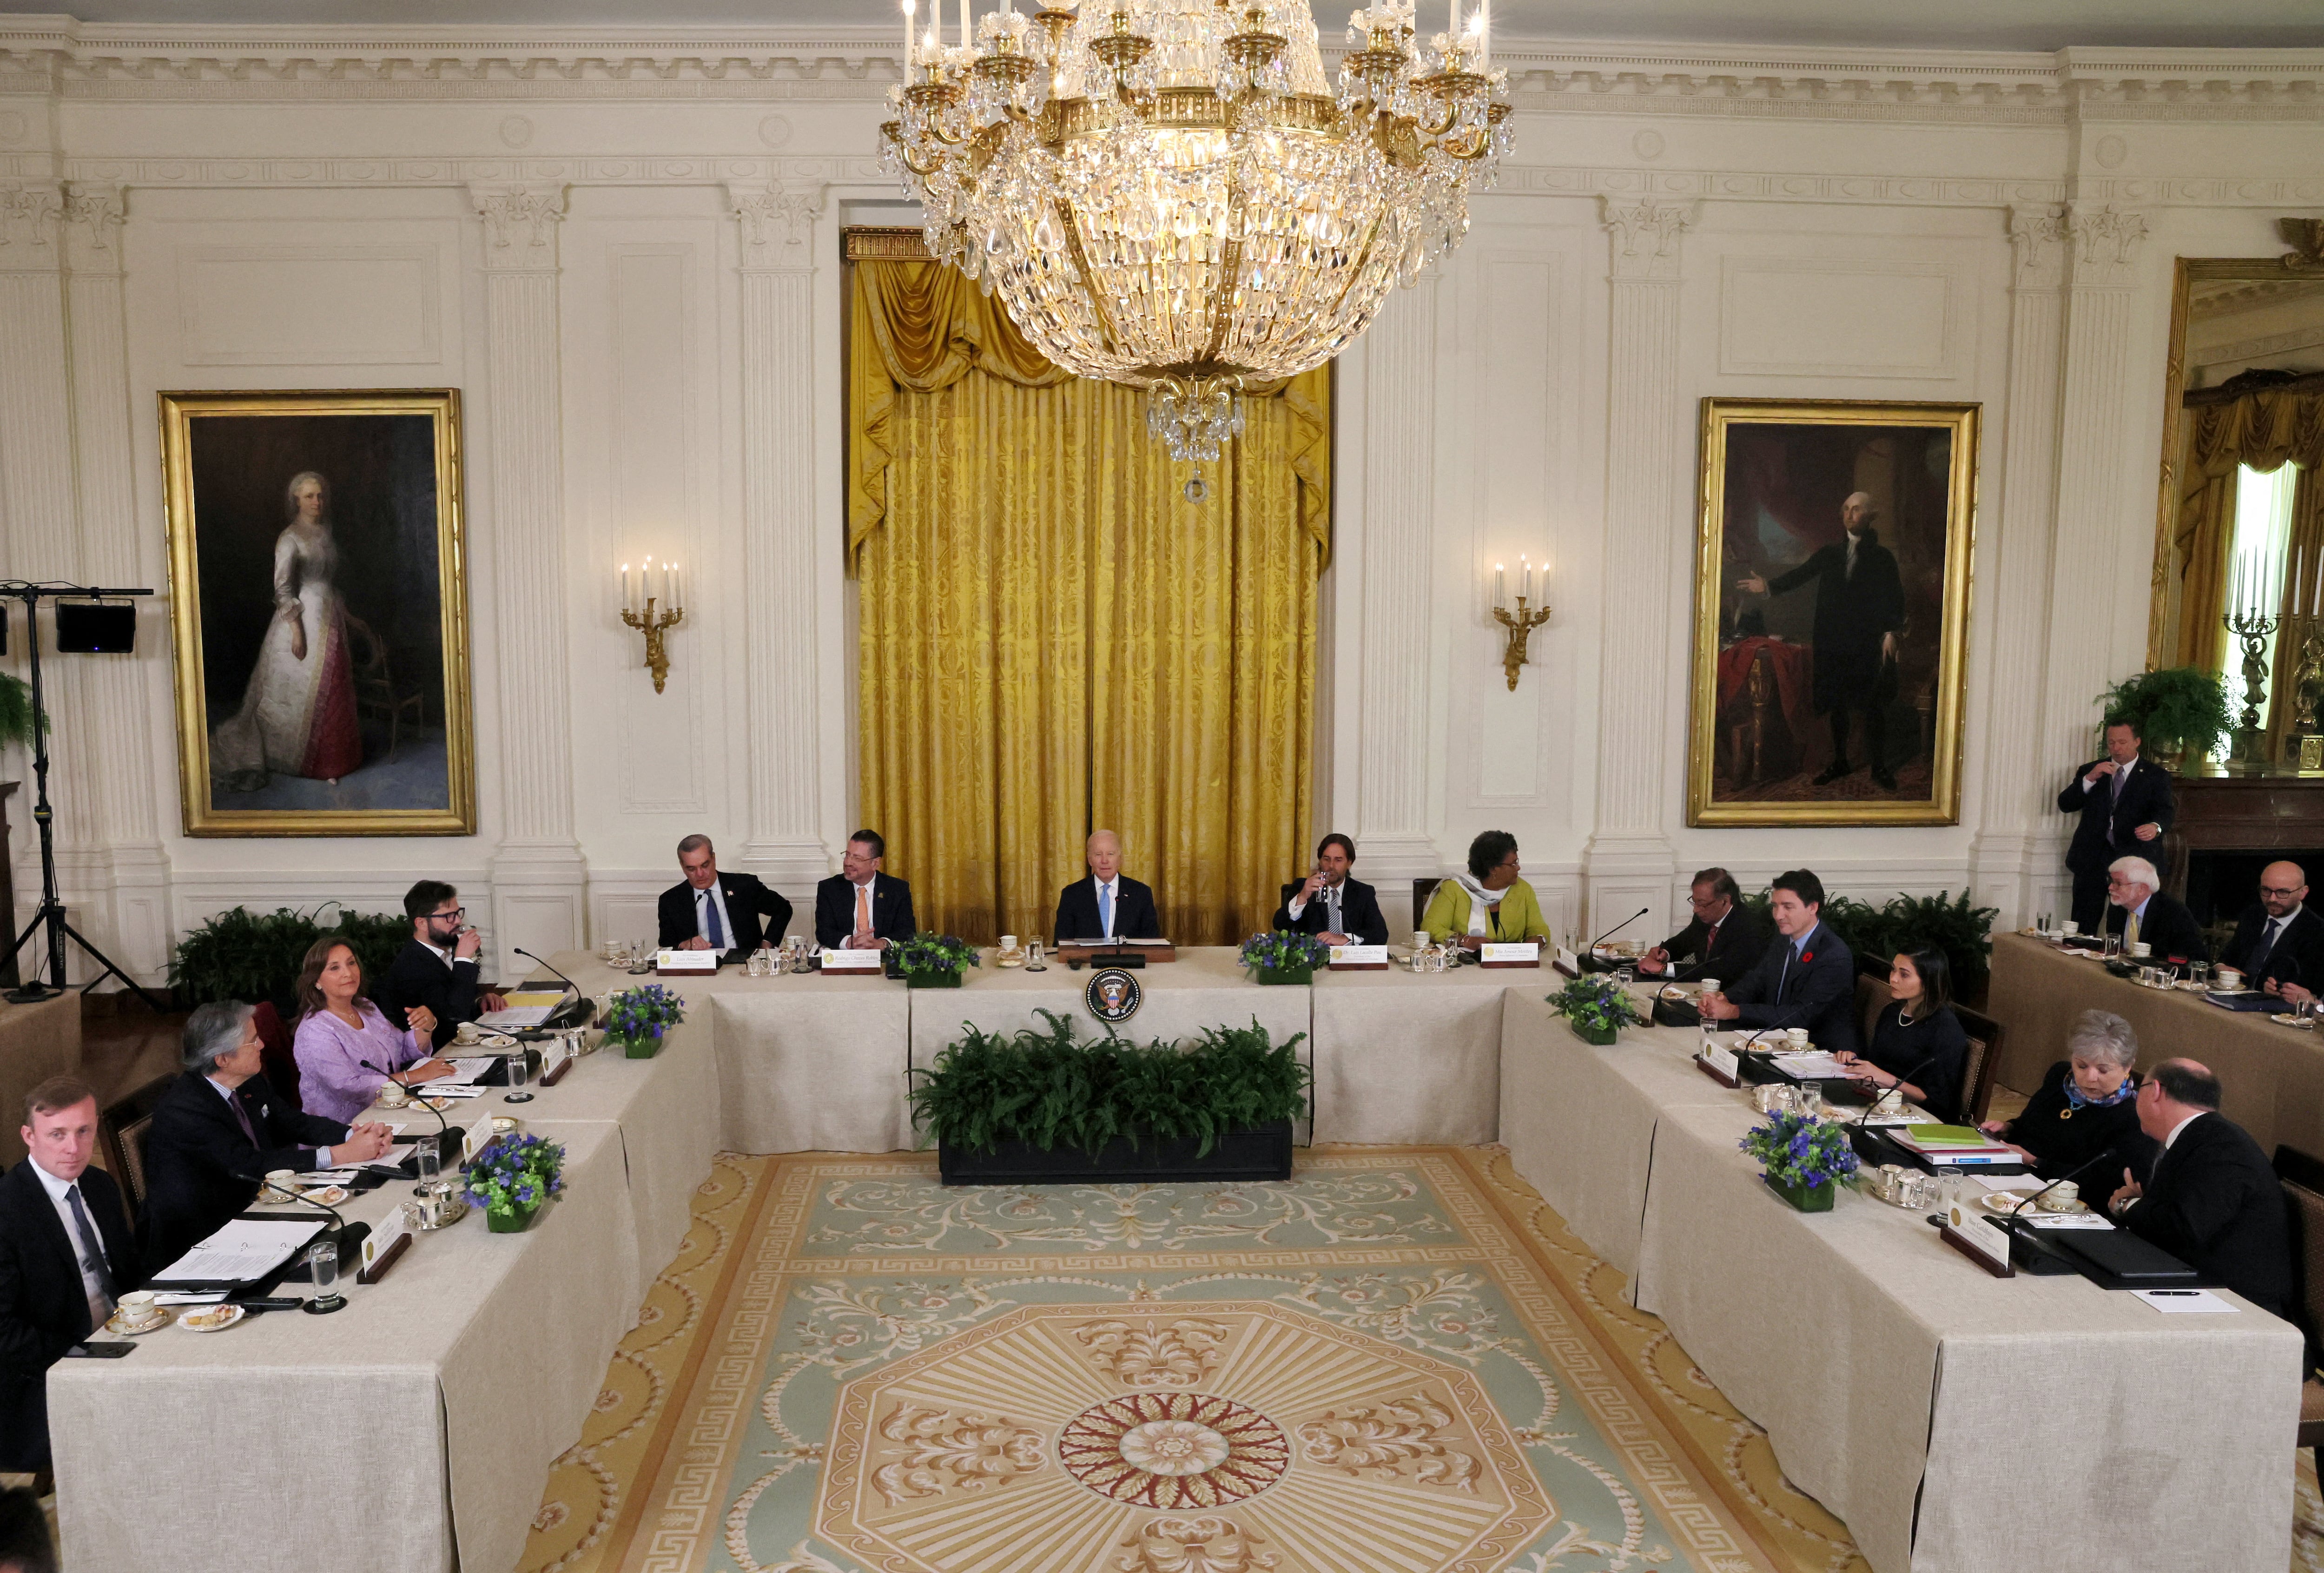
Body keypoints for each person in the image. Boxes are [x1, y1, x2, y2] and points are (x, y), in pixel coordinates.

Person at [140, 1002, 397, 1276]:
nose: (262, 1045)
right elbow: (249, 1165)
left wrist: (354, 1135)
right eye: (253, 1041)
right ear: (222, 1059)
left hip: (258, 1207)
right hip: (203, 1237)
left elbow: (293, 1122)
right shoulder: (186, 1109)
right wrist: (341, 1154)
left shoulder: (248, 1081)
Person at [0, 1077, 139, 1476]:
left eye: (83, 1132)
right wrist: (83, 1355)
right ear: (29, 1136)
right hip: (48, 1369)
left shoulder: (99, 1185)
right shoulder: (8, 1210)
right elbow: (4, 1332)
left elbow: (128, 1273)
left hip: (123, 1336)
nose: (74, 1148)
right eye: (57, 1134)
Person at [1737, 490, 1906, 790]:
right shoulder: (1830, 554)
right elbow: (1800, 575)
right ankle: (1840, 762)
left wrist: (1891, 633)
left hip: (1868, 643)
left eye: (1857, 509)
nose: (1850, 515)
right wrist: (1768, 586)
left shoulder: (1883, 559)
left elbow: (1894, 598)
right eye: (1846, 509)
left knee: (1873, 705)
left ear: (1871, 516)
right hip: (1833, 641)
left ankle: (1879, 767)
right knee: (1837, 704)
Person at [208, 469, 363, 793]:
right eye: (309, 496)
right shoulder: (289, 538)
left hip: (330, 619)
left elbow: (330, 584)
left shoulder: (325, 534)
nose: (317, 501)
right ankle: (304, 761)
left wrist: (349, 617)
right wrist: (296, 632)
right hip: (303, 621)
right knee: (300, 694)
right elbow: (282, 589)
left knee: (334, 689)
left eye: (320, 496)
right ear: (297, 501)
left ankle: (335, 762)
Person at [2108, 1059, 2292, 1316]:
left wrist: (2128, 1205)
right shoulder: (2204, 1137)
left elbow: (2184, 1227)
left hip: (2240, 1307)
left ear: (2156, 1091)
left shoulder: (2222, 1149)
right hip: (2195, 1283)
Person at [1979, 1008, 2156, 1186]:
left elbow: (2105, 1184)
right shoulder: (2060, 1076)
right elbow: (2033, 1125)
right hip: (2010, 1175)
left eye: (2103, 1070)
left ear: (2127, 1067)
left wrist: (2036, 1162)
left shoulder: (2134, 1117)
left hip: (2062, 1194)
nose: (2090, 1077)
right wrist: (2010, 1128)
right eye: (2082, 1066)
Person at [1696, 868, 1860, 1055]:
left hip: (1822, 1052)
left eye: (1788, 907)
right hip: (1776, 1040)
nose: (1778, 915)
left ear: (1813, 908)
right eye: (1775, 906)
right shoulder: (1784, 939)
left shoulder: (1833, 955)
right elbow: (1758, 980)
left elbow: (1800, 1016)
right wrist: (1724, 999)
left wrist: (1735, 1011)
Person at [291, 936, 453, 1124]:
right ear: (316, 981)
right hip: (345, 1129)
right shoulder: (314, 1031)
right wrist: (415, 1076)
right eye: (335, 968)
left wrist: (426, 1026)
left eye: (351, 963)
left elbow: (401, 1048)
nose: (348, 973)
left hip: (391, 1110)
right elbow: (348, 1087)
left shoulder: (366, 1007)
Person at [2056, 718, 2173, 932]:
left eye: (2122, 742)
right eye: (2112, 743)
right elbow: (2066, 804)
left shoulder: (2155, 776)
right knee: (2083, 924)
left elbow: (2165, 811)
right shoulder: (2093, 770)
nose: (2116, 748)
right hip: (2092, 859)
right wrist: (2090, 779)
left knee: (2120, 926)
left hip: (2131, 859)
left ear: (2137, 742)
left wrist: (2155, 827)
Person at [1835, 947, 1969, 1121]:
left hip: (1920, 1117)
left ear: (1928, 981)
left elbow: (1937, 1100)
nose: (1893, 978)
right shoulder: (1892, 1012)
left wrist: (1886, 1079)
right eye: (1893, 970)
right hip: (1880, 1103)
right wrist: (1854, 1060)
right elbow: (1877, 1064)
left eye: (1904, 975)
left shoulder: (1945, 1028)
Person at [383, 879, 506, 1050]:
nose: (458, 921)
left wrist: (480, 1002)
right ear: (422, 923)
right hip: (439, 1054)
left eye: (458, 913)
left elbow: (456, 998)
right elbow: (454, 1018)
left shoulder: (445, 951)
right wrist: (463, 960)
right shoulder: (411, 966)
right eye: (448, 916)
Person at [657, 834, 792, 956]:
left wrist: (767, 944)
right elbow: (666, 944)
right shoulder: (671, 900)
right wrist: (684, 945)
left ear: (714, 858)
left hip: (745, 964)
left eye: (705, 865)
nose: (700, 874)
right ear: (682, 866)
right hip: (699, 967)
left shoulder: (744, 886)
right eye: (691, 869)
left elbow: (783, 909)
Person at [1420, 831, 1552, 950]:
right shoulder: (1455, 889)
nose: (1518, 868)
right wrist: (1465, 940)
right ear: (1493, 869)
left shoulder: (1523, 890)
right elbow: (1431, 928)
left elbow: (1538, 927)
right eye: (1513, 863)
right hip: (1467, 963)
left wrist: (1537, 940)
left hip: (1511, 964)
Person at [1637, 867, 1773, 980]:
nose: (1696, 910)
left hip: (1730, 997)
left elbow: (1720, 972)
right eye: (1694, 902)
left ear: (1725, 901)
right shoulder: (1704, 918)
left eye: (1702, 904)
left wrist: (1664, 969)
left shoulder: (1749, 927)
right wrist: (1663, 952)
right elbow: (1685, 941)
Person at [2218, 860, 2324, 997]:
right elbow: (2228, 958)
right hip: (2232, 996)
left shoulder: (2317, 931)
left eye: (2283, 892)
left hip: (2276, 1007)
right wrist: (2219, 968)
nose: (2272, 899)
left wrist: (2280, 991)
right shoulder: (2253, 915)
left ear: (2303, 893)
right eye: (2266, 890)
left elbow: (2313, 991)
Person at [1272, 834, 1388, 947]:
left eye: (1338, 860)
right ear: (1320, 860)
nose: (1331, 866)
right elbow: (1279, 925)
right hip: (1314, 957)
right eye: (1326, 859)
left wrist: (1346, 938)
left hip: (1349, 957)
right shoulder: (1303, 887)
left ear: (1349, 863)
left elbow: (1380, 934)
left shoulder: (1363, 892)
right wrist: (1302, 897)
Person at [814, 829, 917, 951]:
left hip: (884, 959)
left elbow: (907, 931)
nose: (848, 862)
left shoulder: (897, 889)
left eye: (857, 859)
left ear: (875, 863)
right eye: (847, 855)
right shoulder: (829, 888)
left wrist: (882, 944)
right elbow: (823, 931)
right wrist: (849, 942)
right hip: (845, 959)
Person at [1054, 830, 1162, 942]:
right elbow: (1061, 943)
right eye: (1098, 855)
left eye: (1110, 854)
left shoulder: (1141, 894)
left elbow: (1152, 943)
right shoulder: (1072, 895)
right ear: (1090, 859)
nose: (1104, 861)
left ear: (1120, 858)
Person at [2099, 856, 2208, 963]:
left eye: (2118, 883)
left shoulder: (2174, 913)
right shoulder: (2118, 907)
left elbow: (2196, 959)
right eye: (2111, 881)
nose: (2110, 888)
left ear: (2142, 889)